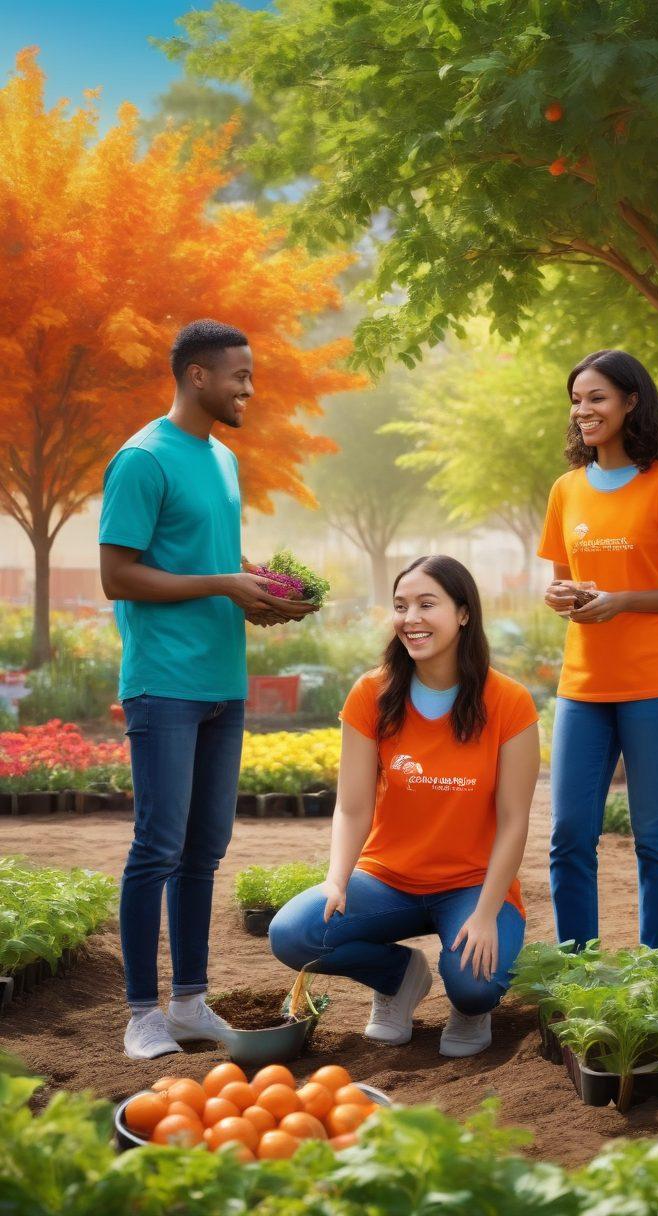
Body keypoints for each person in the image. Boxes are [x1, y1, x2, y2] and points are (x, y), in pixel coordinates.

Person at [99, 318, 317, 1059]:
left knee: (205, 849)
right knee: (157, 845)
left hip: (224, 677)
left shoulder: (223, 459)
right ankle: (141, 1014)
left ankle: (189, 1002)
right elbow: (117, 574)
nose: (249, 388)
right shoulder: (142, 458)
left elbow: (208, 558)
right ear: (198, 376)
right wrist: (223, 582)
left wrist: (256, 588)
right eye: (239, 376)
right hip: (165, 681)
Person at [270, 555, 539, 1057]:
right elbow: (352, 807)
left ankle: (468, 1008)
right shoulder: (372, 693)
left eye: (426, 604)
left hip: (471, 883)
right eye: (401, 606)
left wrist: (484, 914)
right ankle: (398, 978)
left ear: (463, 613)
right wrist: (336, 878)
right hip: (388, 878)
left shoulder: (509, 701)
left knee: (475, 984)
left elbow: (514, 821)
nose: (410, 618)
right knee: (295, 934)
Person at [539, 349, 658, 951]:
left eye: (597, 398)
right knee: (568, 833)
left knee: (656, 835)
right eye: (577, 400)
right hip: (583, 685)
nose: (583, 410)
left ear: (631, 402)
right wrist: (562, 596)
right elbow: (564, 580)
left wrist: (624, 601)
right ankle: (578, 967)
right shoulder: (566, 489)